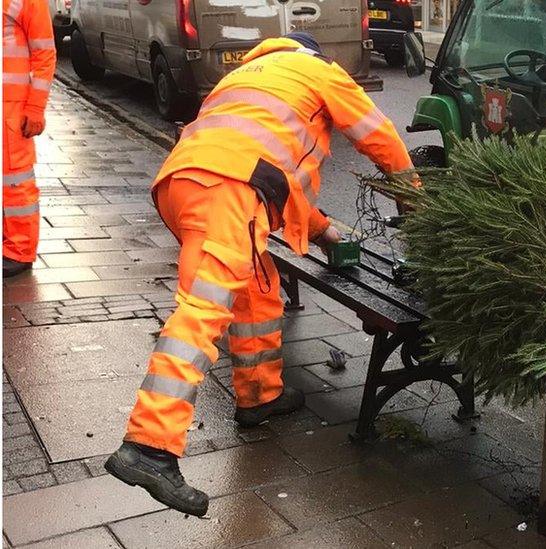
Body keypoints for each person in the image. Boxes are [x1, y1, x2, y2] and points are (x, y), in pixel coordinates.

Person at [104, 33, 414, 516]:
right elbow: (381, 138)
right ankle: (149, 446)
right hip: (230, 190)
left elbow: (268, 175)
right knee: (203, 311)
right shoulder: (319, 71)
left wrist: (326, 232)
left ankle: (259, 395)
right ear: (312, 53)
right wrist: (412, 197)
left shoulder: (239, 78)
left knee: (256, 285)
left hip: (182, 183)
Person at [3, 0, 56, 277]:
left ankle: (19, 251)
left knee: (14, 179)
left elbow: (44, 53)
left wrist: (35, 107)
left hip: (11, 109)